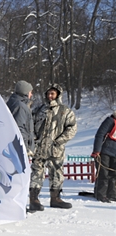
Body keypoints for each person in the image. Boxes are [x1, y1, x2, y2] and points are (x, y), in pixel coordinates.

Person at [29, 83, 77, 212]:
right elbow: (30, 125)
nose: (50, 96)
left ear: (58, 95)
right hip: (39, 148)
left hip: (56, 149)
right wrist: (34, 139)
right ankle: (33, 199)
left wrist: (59, 141)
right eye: (48, 93)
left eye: (53, 93)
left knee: (56, 173)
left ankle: (55, 198)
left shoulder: (65, 111)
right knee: (36, 173)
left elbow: (72, 128)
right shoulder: (39, 110)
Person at [91, 111, 116, 202]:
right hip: (104, 151)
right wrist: (96, 150)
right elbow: (100, 134)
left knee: (113, 175)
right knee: (103, 174)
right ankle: (101, 194)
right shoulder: (110, 120)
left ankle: (112, 194)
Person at [7, 80, 35, 157]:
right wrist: (24, 147)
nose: (31, 94)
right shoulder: (20, 106)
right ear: (25, 92)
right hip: (20, 148)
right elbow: (20, 128)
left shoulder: (14, 103)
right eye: (30, 92)